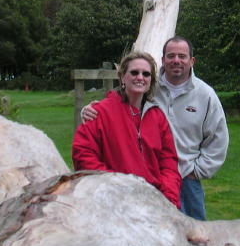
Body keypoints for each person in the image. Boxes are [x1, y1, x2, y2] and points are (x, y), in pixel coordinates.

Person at [82, 37, 228, 220]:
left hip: (186, 179)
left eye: (182, 56)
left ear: (192, 61)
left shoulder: (205, 95)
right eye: (171, 55)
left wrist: (197, 171)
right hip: (148, 179)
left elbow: (218, 139)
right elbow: (118, 108)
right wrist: (89, 111)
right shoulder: (149, 86)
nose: (176, 60)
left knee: (193, 240)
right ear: (163, 59)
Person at [72, 50, 181, 208]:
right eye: (134, 72)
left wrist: (168, 200)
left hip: (155, 202)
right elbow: (83, 155)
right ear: (123, 77)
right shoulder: (99, 112)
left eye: (146, 74)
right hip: (114, 203)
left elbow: (169, 162)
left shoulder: (157, 117)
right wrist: (115, 186)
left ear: (151, 80)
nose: (140, 77)